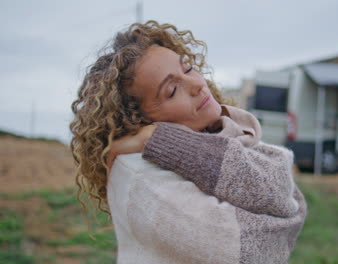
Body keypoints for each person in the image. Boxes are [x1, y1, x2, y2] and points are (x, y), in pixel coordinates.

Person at [70, 20, 307, 264]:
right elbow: (257, 252)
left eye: (188, 69)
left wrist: (158, 139)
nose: (196, 84)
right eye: (172, 91)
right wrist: (161, 141)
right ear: (137, 118)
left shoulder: (227, 131)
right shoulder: (140, 176)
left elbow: (282, 188)